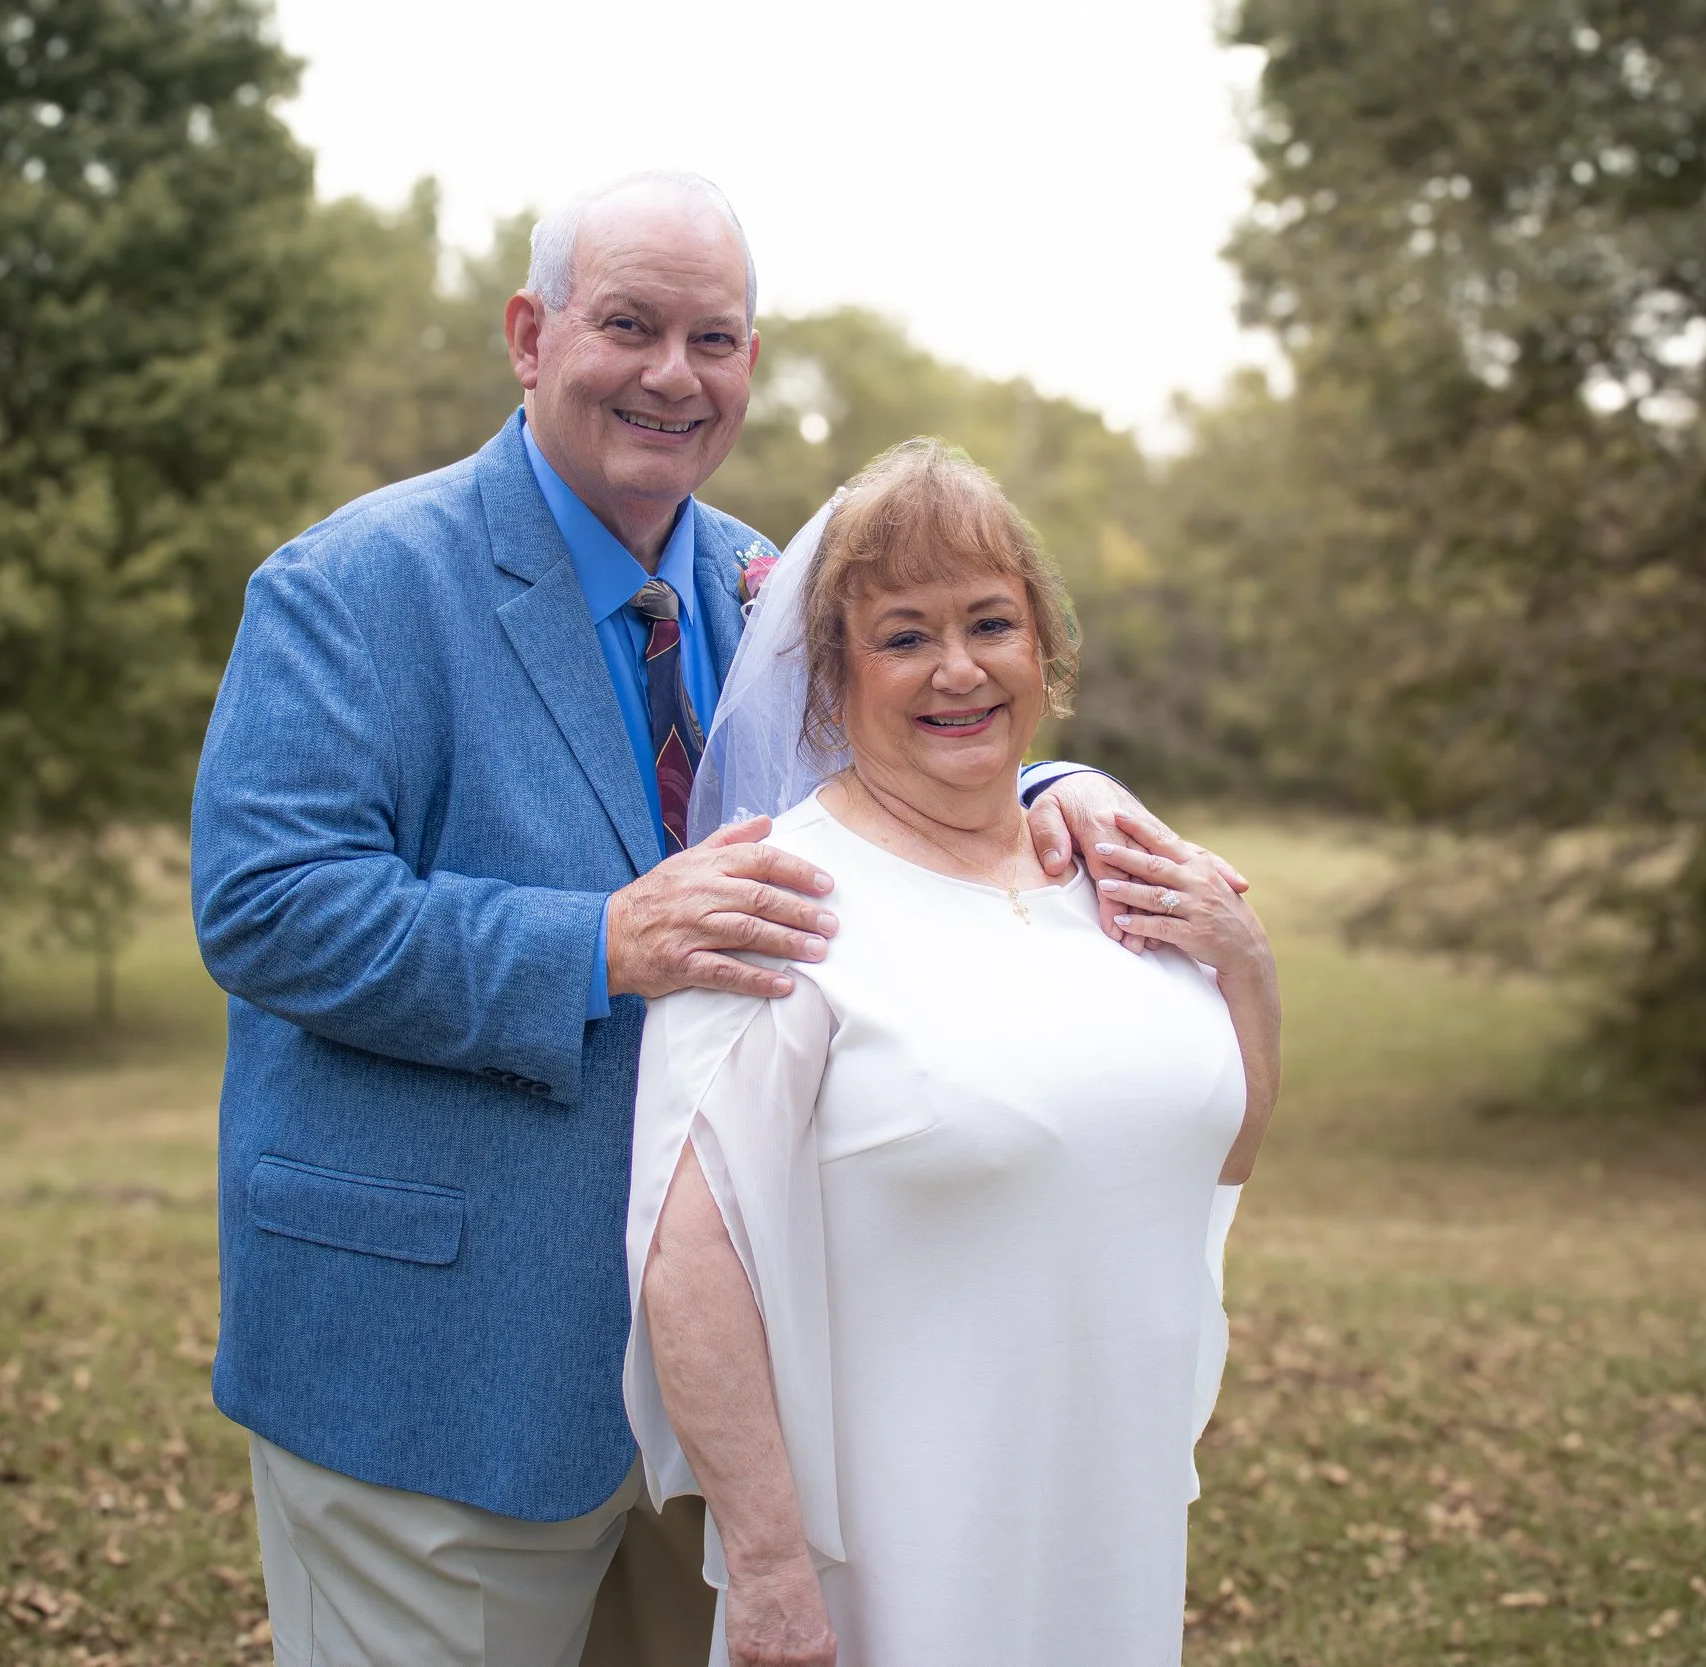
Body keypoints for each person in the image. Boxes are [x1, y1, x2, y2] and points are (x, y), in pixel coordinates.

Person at [189, 173, 1157, 1667]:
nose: (672, 374)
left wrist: (1064, 779)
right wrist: (597, 944)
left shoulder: (764, 580)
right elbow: (267, 907)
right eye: (628, 325)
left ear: (750, 365)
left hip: (725, 1397)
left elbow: (908, 720)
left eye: (714, 338)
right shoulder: (354, 585)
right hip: (439, 1358)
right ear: (529, 334)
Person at [625, 440, 1282, 1666]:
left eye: (991, 621)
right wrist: (767, 1570)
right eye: (904, 634)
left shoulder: (1110, 870)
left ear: (1045, 648)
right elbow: (687, 1263)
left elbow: (1218, 1141)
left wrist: (1246, 964)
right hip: (896, 1547)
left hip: (1107, 1506)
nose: (959, 668)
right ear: (829, 675)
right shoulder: (779, 900)